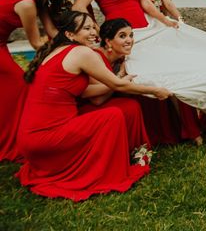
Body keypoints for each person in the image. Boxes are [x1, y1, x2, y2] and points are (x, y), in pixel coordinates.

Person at [16, 11, 172, 201]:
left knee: (126, 106)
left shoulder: (61, 50)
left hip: (34, 136)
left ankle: (131, 154)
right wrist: (155, 91)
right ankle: (111, 172)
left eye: (93, 27)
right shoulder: (82, 53)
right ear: (70, 35)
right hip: (46, 135)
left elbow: (84, 92)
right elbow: (117, 85)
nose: (93, 33)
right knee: (112, 115)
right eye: (86, 29)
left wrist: (120, 80)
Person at [73, 0, 201, 145]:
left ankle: (188, 128)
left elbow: (147, 5)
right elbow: (78, 7)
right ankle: (159, 134)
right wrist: (100, 32)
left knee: (173, 70)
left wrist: (166, 21)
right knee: (146, 79)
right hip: (128, 38)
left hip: (148, 31)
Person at [1, 0, 62, 162]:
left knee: (15, 88)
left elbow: (52, 33)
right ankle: (10, 145)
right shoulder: (27, 4)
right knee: (20, 84)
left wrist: (73, 43)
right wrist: (65, 54)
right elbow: (37, 43)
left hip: (2, 45)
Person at [77, 18, 151, 151]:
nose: (129, 40)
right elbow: (97, 100)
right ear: (108, 41)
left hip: (104, 100)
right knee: (130, 106)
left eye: (131, 35)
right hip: (83, 110)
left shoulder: (121, 57)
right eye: (122, 36)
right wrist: (120, 76)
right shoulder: (96, 57)